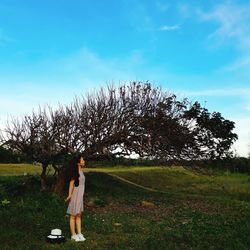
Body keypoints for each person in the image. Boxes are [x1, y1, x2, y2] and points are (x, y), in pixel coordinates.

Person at [65, 154, 86, 242]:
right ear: (78, 163)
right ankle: (73, 235)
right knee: (73, 215)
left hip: (80, 196)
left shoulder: (81, 171)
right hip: (75, 195)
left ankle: (79, 233)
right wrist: (70, 195)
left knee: (78, 215)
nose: (84, 161)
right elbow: (71, 183)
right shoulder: (76, 172)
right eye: (82, 160)